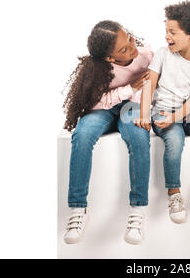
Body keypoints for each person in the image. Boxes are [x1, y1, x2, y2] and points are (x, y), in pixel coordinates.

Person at [63, 20, 153, 244]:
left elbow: (152, 89)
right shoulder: (99, 70)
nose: (132, 47)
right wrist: (129, 89)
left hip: (132, 106)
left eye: (130, 39)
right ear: (110, 58)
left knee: (139, 137)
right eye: (124, 49)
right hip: (103, 108)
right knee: (82, 135)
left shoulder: (147, 55)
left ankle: (137, 210)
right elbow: (94, 103)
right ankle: (77, 210)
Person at [135, 0, 190, 224]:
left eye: (173, 32)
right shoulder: (163, 54)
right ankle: (174, 194)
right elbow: (150, 85)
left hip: (188, 113)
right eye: (166, 31)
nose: (167, 36)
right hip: (163, 112)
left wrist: (178, 117)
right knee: (175, 140)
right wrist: (145, 114)